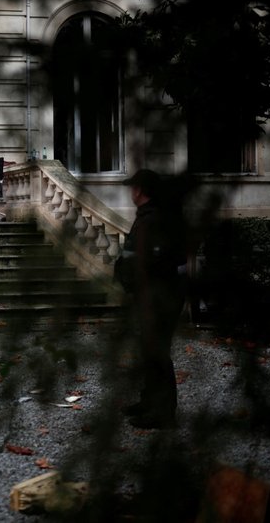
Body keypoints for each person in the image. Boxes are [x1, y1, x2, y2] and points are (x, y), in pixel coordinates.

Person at [114, 168, 187, 429]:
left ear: (140, 191)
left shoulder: (156, 218)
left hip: (159, 296)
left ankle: (163, 412)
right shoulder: (147, 216)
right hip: (149, 295)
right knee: (149, 350)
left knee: (157, 352)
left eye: (133, 187)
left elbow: (155, 260)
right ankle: (149, 401)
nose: (130, 191)